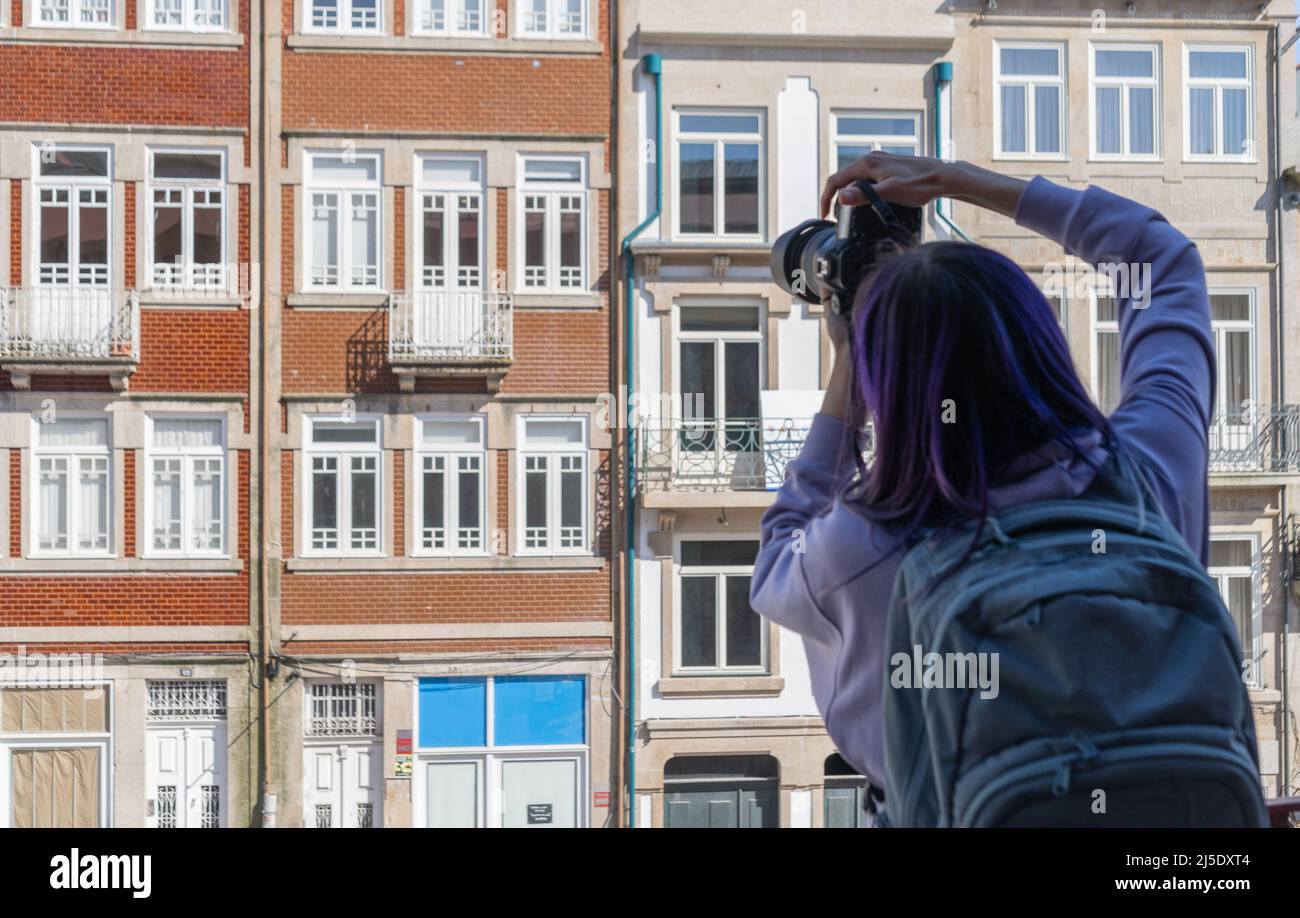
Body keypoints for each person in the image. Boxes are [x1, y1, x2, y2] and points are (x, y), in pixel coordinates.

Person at [749, 152, 1215, 793]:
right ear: (1042, 337)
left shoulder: (861, 548)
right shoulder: (1152, 470)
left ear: (892, 387)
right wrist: (956, 182)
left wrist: (851, 365)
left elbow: (779, 552)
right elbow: (1157, 256)